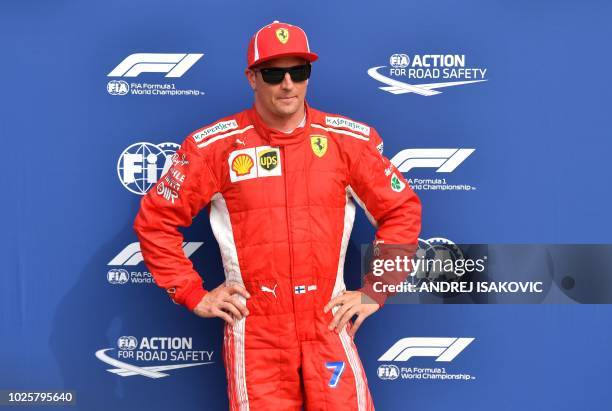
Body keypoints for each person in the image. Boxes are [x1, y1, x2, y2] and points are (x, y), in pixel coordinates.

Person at [134, 20, 421, 411]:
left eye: (298, 71)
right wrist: (191, 293)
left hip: (328, 325)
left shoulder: (347, 141)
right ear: (252, 78)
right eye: (273, 73)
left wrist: (376, 289)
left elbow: (401, 209)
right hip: (257, 334)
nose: (287, 84)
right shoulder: (214, 147)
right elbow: (156, 220)